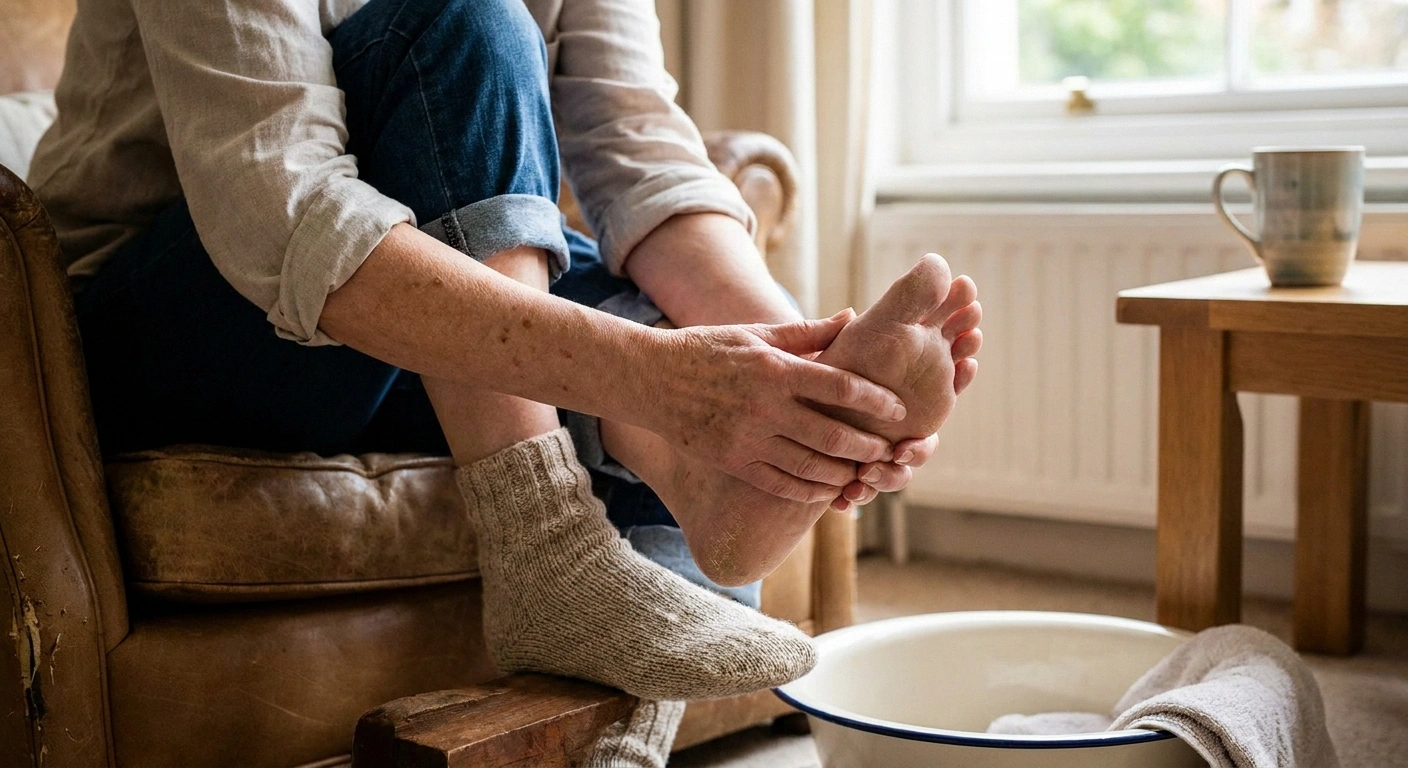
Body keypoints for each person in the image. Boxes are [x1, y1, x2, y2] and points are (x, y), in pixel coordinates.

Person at [29, 0, 981, 763]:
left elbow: (634, 142)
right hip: (165, 327)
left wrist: (794, 371)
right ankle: (550, 546)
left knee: (590, 285)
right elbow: (280, 211)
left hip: (397, 326)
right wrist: (661, 379)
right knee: (465, 27)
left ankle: (636, 689)